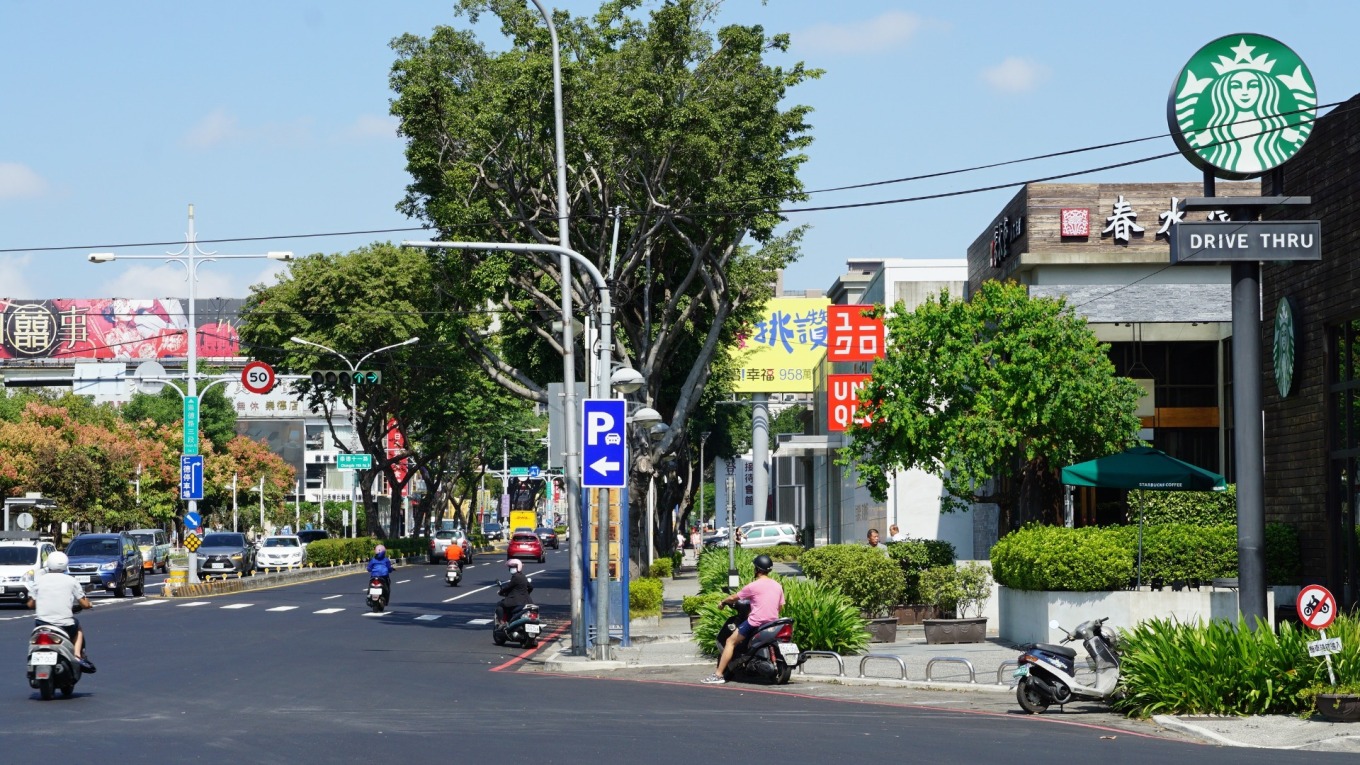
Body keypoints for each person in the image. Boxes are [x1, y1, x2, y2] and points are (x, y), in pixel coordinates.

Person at [703, 554, 784, 684]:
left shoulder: (753, 586)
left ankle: (718, 675)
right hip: (773, 622)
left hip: (755, 622)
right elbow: (780, 607)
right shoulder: (777, 586)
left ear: (757, 569)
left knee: (730, 641)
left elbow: (734, 597)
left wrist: (722, 602)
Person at [26, 551, 96, 673]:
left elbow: (30, 604)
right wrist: (89, 604)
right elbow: (84, 604)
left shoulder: (40, 580)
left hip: (41, 624)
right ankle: (77, 656)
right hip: (65, 625)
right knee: (78, 629)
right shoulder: (71, 581)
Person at [497, 558, 533, 624]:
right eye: (510, 567)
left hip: (515, 602)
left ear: (518, 567)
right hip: (526, 601)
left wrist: (501, 591)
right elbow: (530, 587)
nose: (511, 569)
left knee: (500, 605)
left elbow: (508, 587)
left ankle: (502, 622)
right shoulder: (523, 576)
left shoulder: (516, 577)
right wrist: (526, 594)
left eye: (512, 567)